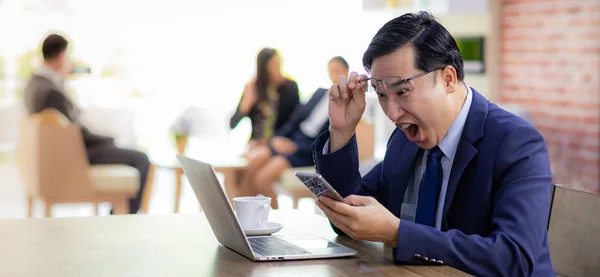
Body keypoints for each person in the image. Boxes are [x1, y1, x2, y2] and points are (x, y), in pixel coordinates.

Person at [312, 12, 554, 276]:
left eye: (402, 91)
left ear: (448, 78)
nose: (392, 114)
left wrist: (397, 233)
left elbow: (514, 258)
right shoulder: (404, 141)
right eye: (382, 96)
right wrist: (341, 130)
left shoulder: (516, 143)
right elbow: (351, 216)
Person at [23, 34, 150, 214]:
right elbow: (78, 134)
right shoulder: (51, 91)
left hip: (56, 155)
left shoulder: (33, 84)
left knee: (121, 147)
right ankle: (122, 219)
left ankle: (117, 216)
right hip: (78, 155)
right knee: (141, 158)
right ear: (61, 56)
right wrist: (108, 139)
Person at [240, 57, 350, 209]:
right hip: (294, 140)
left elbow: (333, 138)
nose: (334, 74)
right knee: (253, 162)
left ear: (347, 71)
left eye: (338, 70)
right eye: (331, 70)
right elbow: (296, 118)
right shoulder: (319, 93)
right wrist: (278, 138)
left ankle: (274, 223)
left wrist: (296, 147)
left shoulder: (349, 104)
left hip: (306, 150)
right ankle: (247, 217)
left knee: (262, 179)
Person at [230, 48, 300, 150]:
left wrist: (270, 141)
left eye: (279, 64)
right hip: (255, 143)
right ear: (263, 67)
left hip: (279, 142)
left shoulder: (289, 87)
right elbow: (232, 124)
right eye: (273, 65)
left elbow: (295, 120)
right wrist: (247, 103)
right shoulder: (253, 88)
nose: (278, 69)